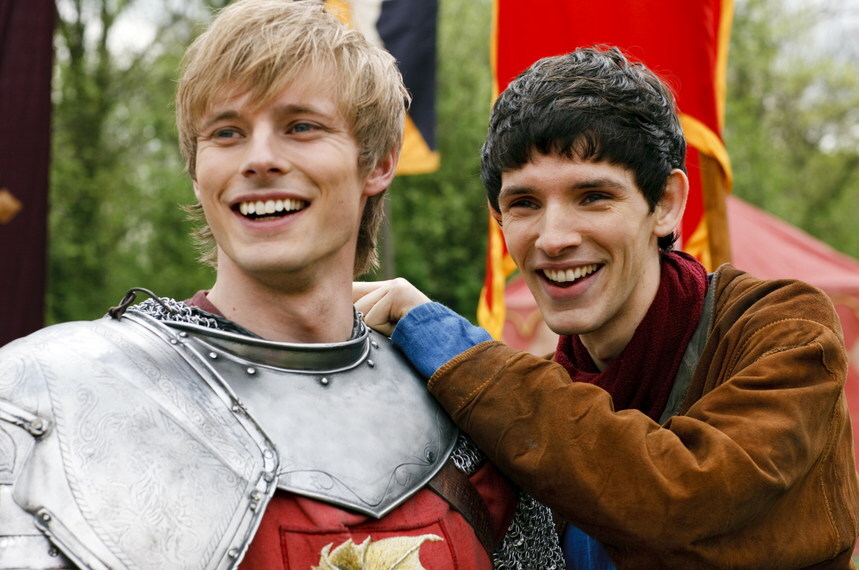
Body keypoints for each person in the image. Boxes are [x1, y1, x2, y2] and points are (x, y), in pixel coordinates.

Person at [0, 1, 564, 567]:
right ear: (196, 172)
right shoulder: (47, 396)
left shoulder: (467, 410)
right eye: (227, 133)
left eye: (301, 127)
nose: (260, 159)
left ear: (378, 163)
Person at [354, 46, 859, 568]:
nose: (553, 238)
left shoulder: (787, 332)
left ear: (665, 204)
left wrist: (451, 346)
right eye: (524, 203)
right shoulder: (534, 401)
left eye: (593, 196)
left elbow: (682, 501)